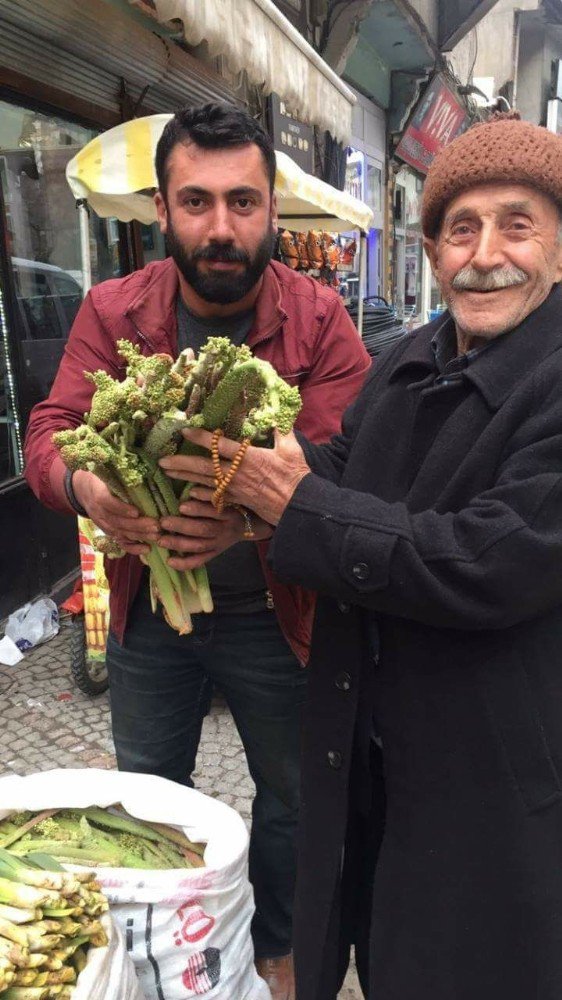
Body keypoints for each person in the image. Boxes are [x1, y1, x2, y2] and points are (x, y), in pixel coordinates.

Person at [158, 113, 562, 1000]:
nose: (484, 253)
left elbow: (486, 559)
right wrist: (247, 511)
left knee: (467, 967)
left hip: (487, 779)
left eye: (517, 224)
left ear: (560, 247)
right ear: (434, 246)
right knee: (382, 950)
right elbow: (343, 466)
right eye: (461, 228)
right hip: (373, 755)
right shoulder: (411, 352)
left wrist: (291, 503)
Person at [24, 103, 371, 999]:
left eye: (243, 202)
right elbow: (52, 432)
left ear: (271, 210)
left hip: (279, 616)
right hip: (150, 607)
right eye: (198, 202)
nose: (221, 227)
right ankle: (172, 949)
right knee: (149, 793)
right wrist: (91, 487)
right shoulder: (113, 309)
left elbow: (347, 466)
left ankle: (276, 950)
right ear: (163, 209)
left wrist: (253, 518)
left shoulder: (322, 320)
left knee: (292, 799)